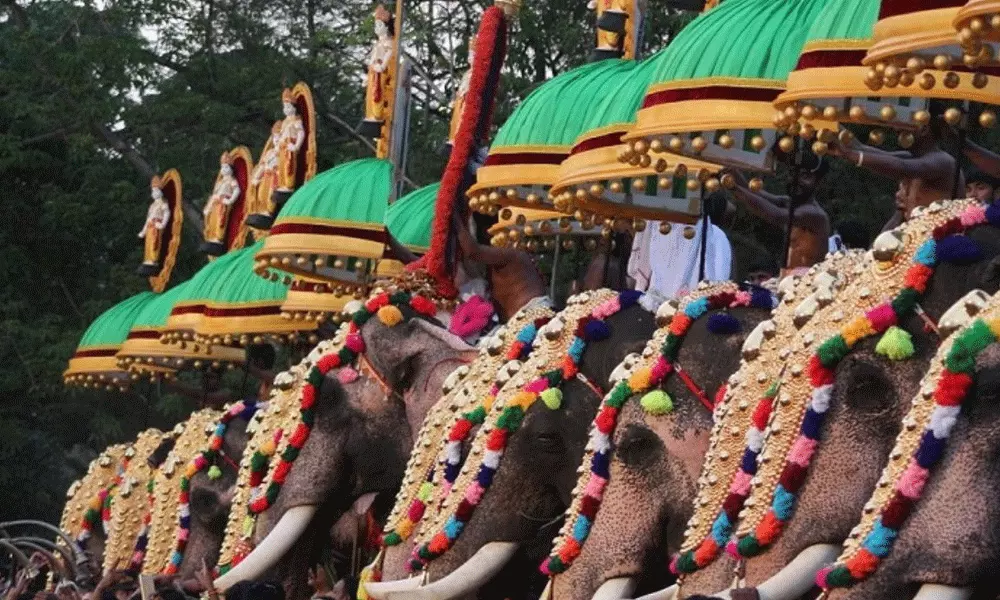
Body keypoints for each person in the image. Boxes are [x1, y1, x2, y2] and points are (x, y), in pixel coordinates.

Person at [828, 103, 961, 229]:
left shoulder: (943, 161)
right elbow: (858, 147)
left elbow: (902, 167)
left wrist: (849, 154)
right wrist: (827, 121)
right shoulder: (913, 157)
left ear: (923, 129)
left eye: (904, 123)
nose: (896, 129)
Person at [724, 156, 829, 274]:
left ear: (819, 183)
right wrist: (730, 168)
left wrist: (733, 188)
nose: (796, 180)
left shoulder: (814, 214)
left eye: (805, 176)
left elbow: (776, 215)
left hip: (808, 281)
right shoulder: (789, 202)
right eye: (794, 174)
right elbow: (754, 192)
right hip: (789, 278)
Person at [627, 191, 733, 299]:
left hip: (692, 300)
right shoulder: (662, 227)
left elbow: (717, 278)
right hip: (658, 298)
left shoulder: (714, 234)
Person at [453, 212, 550, 321]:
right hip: (519, 320)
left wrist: (454, 218)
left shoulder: (512, 253)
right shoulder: (495, 261)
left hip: (532, 315)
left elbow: (472, 252)